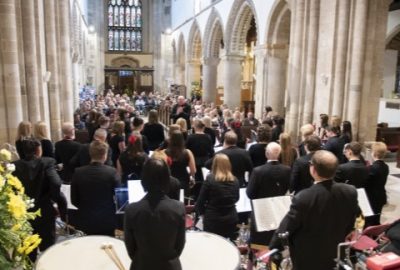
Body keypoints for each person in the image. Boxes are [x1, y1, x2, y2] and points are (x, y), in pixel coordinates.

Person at [270, 150, 360, 270]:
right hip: (336, 251)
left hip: (308, 257)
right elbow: (352, 220)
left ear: (313, 170)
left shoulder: (303, 197)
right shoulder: (350, 191)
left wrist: (273, 246)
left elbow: (286, 227)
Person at [124, 158, 186, 270]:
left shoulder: (131, 210)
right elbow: (179, 245)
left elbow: (130, 248)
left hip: (141, 265)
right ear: (167, 179)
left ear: (144, 180)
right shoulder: (179, 208)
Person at [13, 139, 67, 260]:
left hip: (24, 213)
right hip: (45, 211)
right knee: (48, 251)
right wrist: (54, 199)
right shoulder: (47, 162)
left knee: (29, 250)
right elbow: (56, 183)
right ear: (38, 150)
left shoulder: (15, 166)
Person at [71, 140, 120, 236]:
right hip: (107, 219)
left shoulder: (78, 172)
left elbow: (74, 200)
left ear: (90, 153)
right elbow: (118, 198)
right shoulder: (112, 172)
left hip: (85, 219)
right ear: (105, 155)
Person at [247, 142, 291, 245]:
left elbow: (250, 194)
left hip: (261, 211)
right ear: (279, 154)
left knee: (260, 243)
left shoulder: (258, 171)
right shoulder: (287, 170)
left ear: (266, 153)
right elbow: (287, 188)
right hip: (279, 210)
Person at [196, 154, 240, 241]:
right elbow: (236, 198)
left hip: (213, 219)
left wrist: (202, 214)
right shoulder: (235, 180)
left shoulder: (210, 179)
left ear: (214, 164)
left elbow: (200, 201)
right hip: (230, 218)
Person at [365, 142, 389, 226]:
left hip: (372, 197)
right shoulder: (386, 166)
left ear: (373, 153)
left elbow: (366, 183)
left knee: (369, 220)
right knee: (376, 218)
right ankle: (375, 234)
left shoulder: (372, 168)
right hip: (381, 195)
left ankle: (370, 235)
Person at [165, 131, 196, 196]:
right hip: (184, 180)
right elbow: (193, 170)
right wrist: (191, 177)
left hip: (169, 181)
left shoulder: (165, 152)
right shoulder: (188, 152)